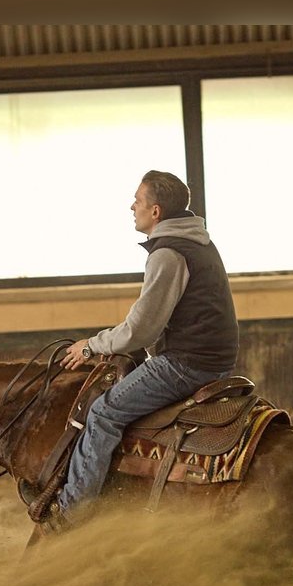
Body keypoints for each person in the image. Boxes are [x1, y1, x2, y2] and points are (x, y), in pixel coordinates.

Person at [52, 170, 239, 526]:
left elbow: (141, 329)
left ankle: (71, 513)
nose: (131, 207)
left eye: (137, 201)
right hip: (210, 357)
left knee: (104, 413)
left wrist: (90, 347)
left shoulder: (168, 253)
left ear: (155, 211)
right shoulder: (196, 242)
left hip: (187, 363)